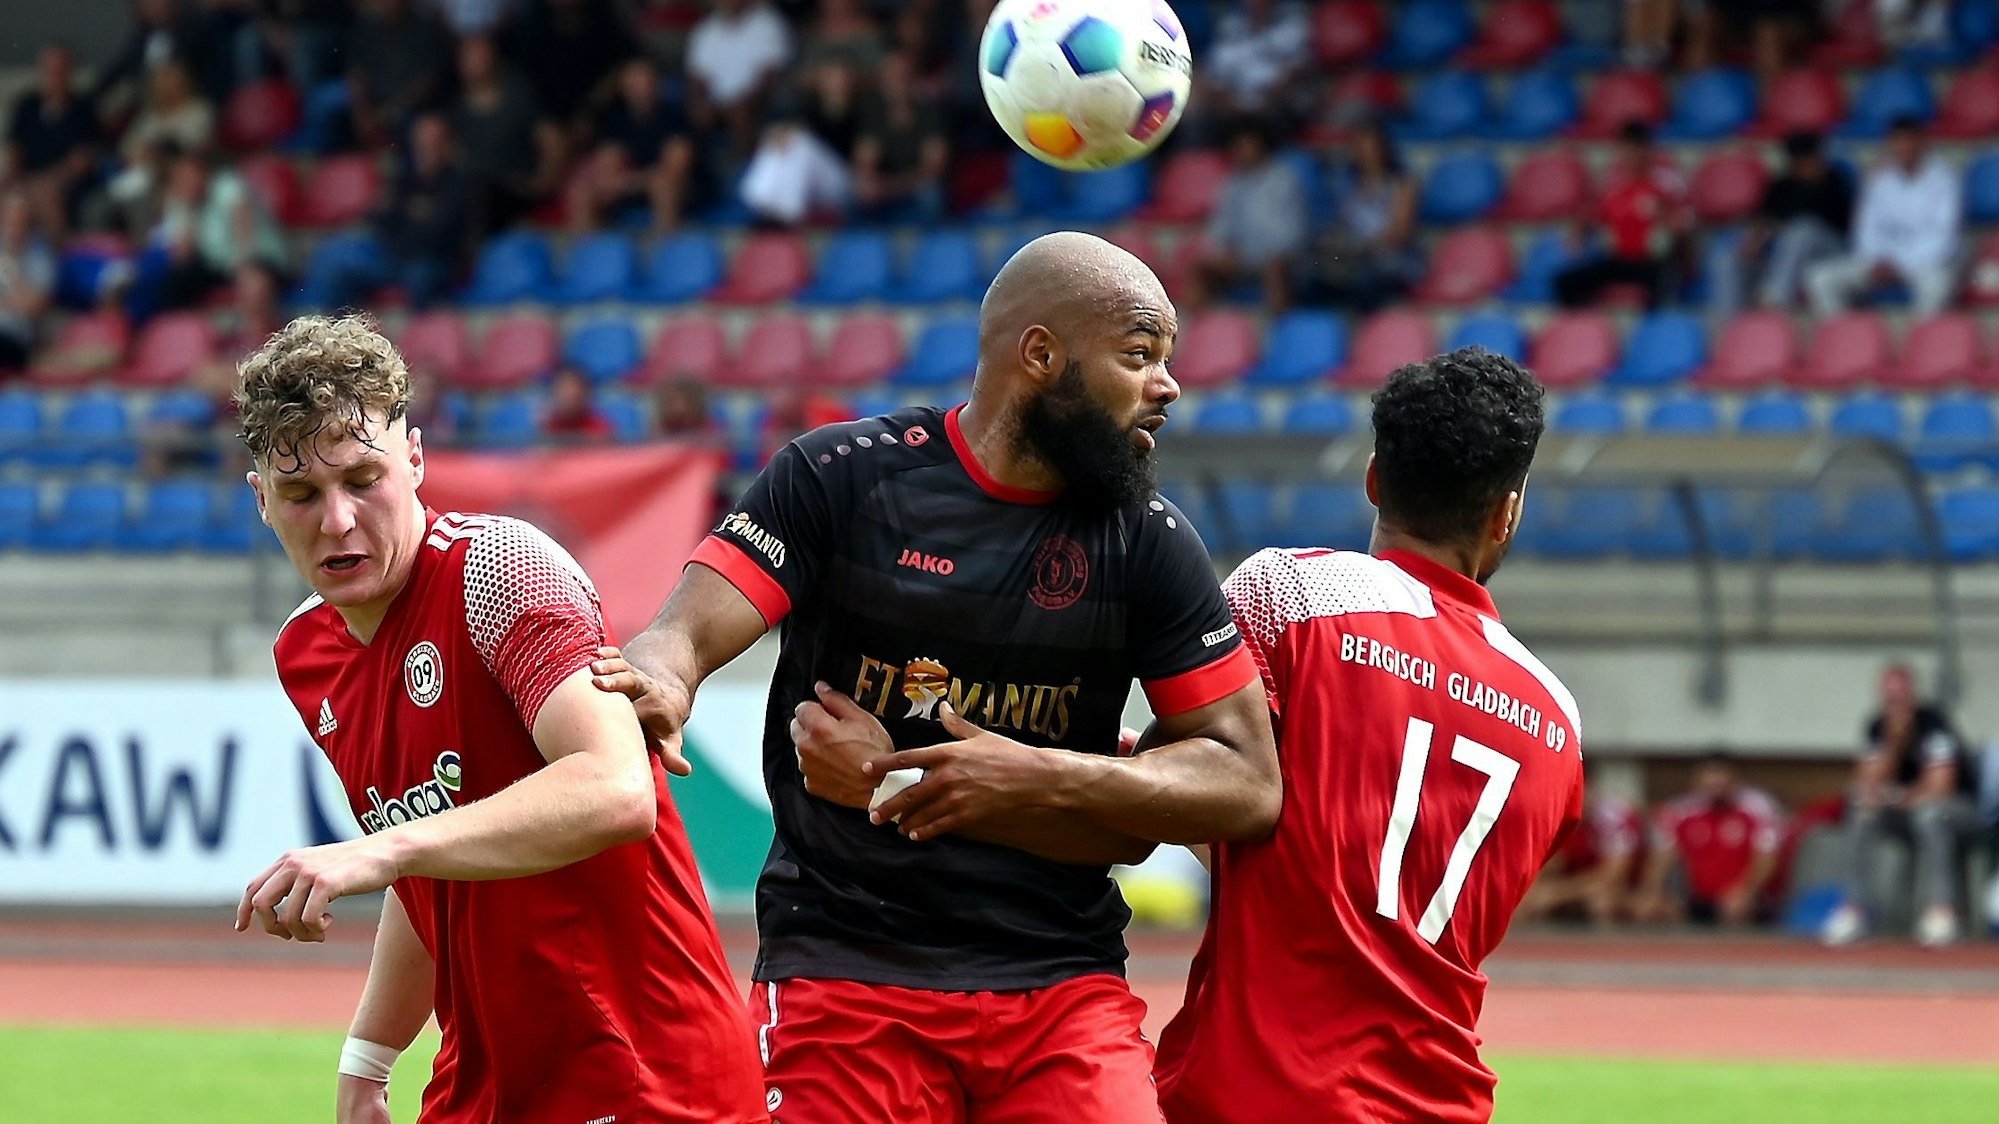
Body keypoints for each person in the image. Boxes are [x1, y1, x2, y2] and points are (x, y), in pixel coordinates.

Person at [589, 231, 1281, 1122]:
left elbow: (1246, 780)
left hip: (1058, 985)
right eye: (1139, 355)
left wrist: (1006, 775)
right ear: (1040, 356)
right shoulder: (841, 479)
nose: (1168, 385)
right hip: (845, 970)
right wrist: (661, 682)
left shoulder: (1149, 541)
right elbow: (682, 633)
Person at [230, 315, 765, 1123]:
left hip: (643, 1073)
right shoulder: (305, 652)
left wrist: (382, 851)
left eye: (363, 479)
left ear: (413, 461)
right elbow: (439, 868)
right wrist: (369, 1058)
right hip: (488, 1079)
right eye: (302, 493)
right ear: (262, 501)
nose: (337, 520)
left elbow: (620, 791)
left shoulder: (501, 570)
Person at [1153, 347, 1584, 1124]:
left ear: (1374, 479)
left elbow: (1180, 788)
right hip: (1438, 1102)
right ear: (1506, 513)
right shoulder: (1557, 722)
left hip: (1251, 1093)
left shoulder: (1289, 594)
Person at [1822, 663, 1980, 947]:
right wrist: (1894, 744)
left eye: (1901, 694)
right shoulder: (1876, 726)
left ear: (1913, 692)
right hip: (1906, 810)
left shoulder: (1933, 722)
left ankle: (1941, 911)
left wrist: (1897, 797)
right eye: (1889, 696)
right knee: (1861, 812)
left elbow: (1940, 787)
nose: (1895, 702)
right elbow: (1868, 785)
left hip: (1958, 812)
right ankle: (1855, 909)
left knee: (1930, 815)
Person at [1805, 116, 1962, 319]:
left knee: (1938, 285)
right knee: (1819, 277)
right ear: (1891, 144)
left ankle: (1920, 346)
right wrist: (1878, 260)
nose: (1904, 147)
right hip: (1878, 261)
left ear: (1922, 142)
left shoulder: (1944, 178)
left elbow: (1944, 236)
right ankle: (1847, 342)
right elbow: (1866, 229)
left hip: (1922, 263)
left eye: (1910, 141)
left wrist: (1900, 264)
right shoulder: (1881, 178)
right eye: (1898, 141)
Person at [1707, 130, 1854, 322]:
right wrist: (1755, 242)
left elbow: (1845, 226)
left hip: (1829, 252)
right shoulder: (1782, 185)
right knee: (1727, 257)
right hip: (1786, 256)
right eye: (1807, 159)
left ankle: (1774, 300)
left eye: (1816, 157)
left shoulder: (1834, 181)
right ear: (1795, 162)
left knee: (1803, 229)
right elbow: (1767, 220)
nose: (1814, 163)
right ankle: (1730, 327)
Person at [1634, 752, 1785, 927]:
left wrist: (1746, 891)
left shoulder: (1759, 808)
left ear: (1735, 779)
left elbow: (1766, 859)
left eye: (1722, 776)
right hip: (1694, 897)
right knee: (1649, 909)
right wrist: (1653, 892)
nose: (1715, 783)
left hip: (1745, 897)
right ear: (1697, 780)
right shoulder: (1680, 810)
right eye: (1710, 776)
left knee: (1736, 909)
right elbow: (1662, 857)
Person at [1555, 121, 1687, 310]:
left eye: (1635, 150)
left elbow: (1685, 222)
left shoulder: (1666, 182)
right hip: (1618, 259)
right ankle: (1585, 330)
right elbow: (1591, 216)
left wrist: (1667, 220)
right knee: (1565, 281)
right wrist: (1579, 231)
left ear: (1647, 150)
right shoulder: (1613, 185)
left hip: (1652, 260)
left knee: (1663, 279)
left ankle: (1655, 332)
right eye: (1626, 150)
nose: (1630, 156)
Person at [567, 55, 695, 236]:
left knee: (662, 185)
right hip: (630, 184)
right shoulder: (614, 120)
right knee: (582, 192)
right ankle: (588, 255)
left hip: (676, 188)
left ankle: (664, 249)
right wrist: (622, 182)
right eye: (633, 78)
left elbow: (675, 168)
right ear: (622, 84)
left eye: (645, 77)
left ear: (657, 82)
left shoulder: (675, 117)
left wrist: (631, 181)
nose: (640, 84)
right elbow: (608, 163)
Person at [1301, 120, 1421, 312]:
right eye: (1360, 147)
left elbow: (1400, 233)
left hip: (1388, 258)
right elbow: (1339, 226)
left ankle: (1368, 333)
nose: (1366, 153)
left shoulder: (1401, 184)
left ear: (1383, 149)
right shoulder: (1346, 185)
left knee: (1366, 281)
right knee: (1310, 276)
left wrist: (1363, 248)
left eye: (1371, 147)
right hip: (1351, 256)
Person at [1190, 116, 1307, 313]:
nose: (1241, 152)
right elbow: (1219, 228)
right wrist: (1223, 251)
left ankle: (1274, 328)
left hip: (1276, 258)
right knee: (1200, 268)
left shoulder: (1283, 180)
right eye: (1237, 146)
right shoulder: (1232, 184)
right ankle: (1199, 332)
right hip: (1240, 259)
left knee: (1276, 268)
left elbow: (1291, 236)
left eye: (1246, 145)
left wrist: (1251, 254)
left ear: (1261, 145)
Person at [1521, 782, 1646, 925]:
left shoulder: (1615, 817)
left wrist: (1555, 894)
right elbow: (1545, 866)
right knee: (1525, 900)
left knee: (1601, 903)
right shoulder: (1555, 813)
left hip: (1627, 887)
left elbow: (1612, 876)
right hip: (1577, 883)